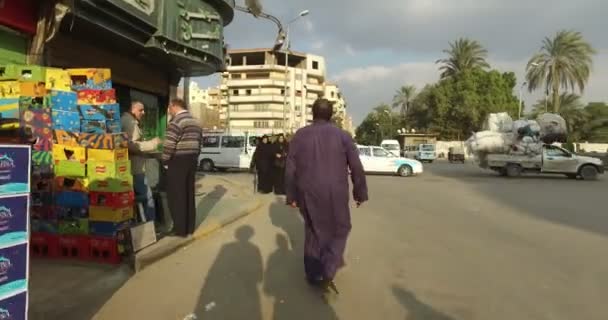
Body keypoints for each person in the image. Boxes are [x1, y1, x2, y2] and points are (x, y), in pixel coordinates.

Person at [285, 98, 368, 293]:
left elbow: (290, 169)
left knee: (313, 231)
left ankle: (313, 274)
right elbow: (356, 166)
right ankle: (328, 270)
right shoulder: (343, 136)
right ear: (330, 115)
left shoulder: (300, 136)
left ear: (313, 114)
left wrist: (291, 195)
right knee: (340, 229)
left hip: (308, 192)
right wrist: (360, 192)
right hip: (335, 192)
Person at [161, 99, 202, 237]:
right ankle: (190, 227)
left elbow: (169, 144)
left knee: (176, 195)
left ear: (173, 106)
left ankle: (179, 229)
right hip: (192, 160)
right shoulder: (196, 122)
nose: (169, 111)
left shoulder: (176, 122)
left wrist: (165, 161)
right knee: (188, 193)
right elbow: (199, 143)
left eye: (169, 109)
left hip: (177, 161)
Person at [120, 101, 161, 222]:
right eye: (140, 110)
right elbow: (130, 145)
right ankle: (149, 225)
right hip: (135, 168)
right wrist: (152, 144)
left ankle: (144, 223)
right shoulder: (129, 122)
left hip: (135, 167)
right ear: (133, 109)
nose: (143, 113)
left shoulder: (130, 121)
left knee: (142, 197)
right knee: (147, 197)